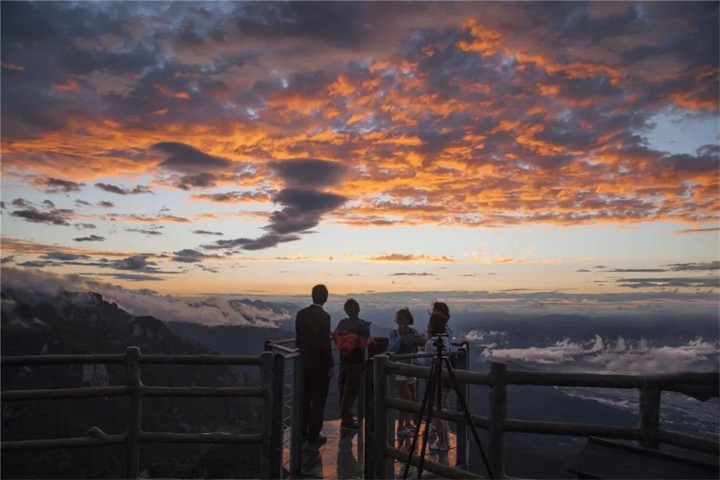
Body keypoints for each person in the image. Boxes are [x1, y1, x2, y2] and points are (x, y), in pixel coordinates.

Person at [295, 284, 334, 446]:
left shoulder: (301, 314)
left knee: (304, 397)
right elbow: (325, 342)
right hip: (320, 364)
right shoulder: (324, 317)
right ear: (325, 298)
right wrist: (330, 364)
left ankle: (302, 431)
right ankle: (314, 434)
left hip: (303, 361)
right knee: (319, 399)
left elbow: (299, 338)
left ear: (312, 296)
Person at [333, 299, 372, 430]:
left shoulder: (342, 323)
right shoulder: (363, 325)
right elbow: (367, 341)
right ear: (358, 309)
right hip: (357, 361)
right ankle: (347, 419)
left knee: (343, 389)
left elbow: (335, 339)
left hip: (343, 361)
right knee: (352, 390)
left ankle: (345, 418)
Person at [388, 307, 425, 436]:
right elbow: (393, 349)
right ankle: (400, 428)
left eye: (402, 318)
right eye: (398, 318)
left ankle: (408, 423)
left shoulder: (413, 331)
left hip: (410, 366)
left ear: (408, 320)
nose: (399, 321)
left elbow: (422, 345)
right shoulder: (394, 333)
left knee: (413, 397)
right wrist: (400, 336)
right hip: (398, 367)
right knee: (406, 397)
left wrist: (421, 340)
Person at [419, 313, 453, 452]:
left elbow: (428, 363)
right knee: (442, 410)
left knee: (437, 411)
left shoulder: (430, 343)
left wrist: (419, 357)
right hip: (445, 379)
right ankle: (445, 440)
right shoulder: (446, 341)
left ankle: (442, 443)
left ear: (432, 327)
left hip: (434, 380)